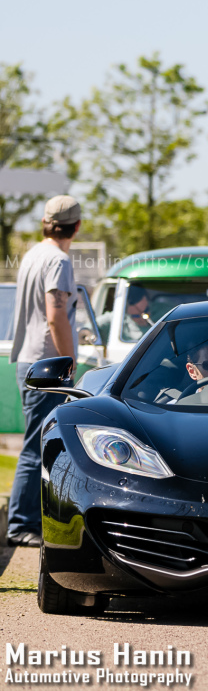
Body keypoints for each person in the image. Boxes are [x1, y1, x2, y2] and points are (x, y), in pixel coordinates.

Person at [7, 195, 80, 547]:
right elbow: (55, 314)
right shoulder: (59, 260)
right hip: (47, 362)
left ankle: (25, 520)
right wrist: (68, 359)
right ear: (77, 226)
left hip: (28, 358)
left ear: (45, 223)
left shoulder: (34, 254)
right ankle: (21, 524)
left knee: (34, 444)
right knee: (38, 447)